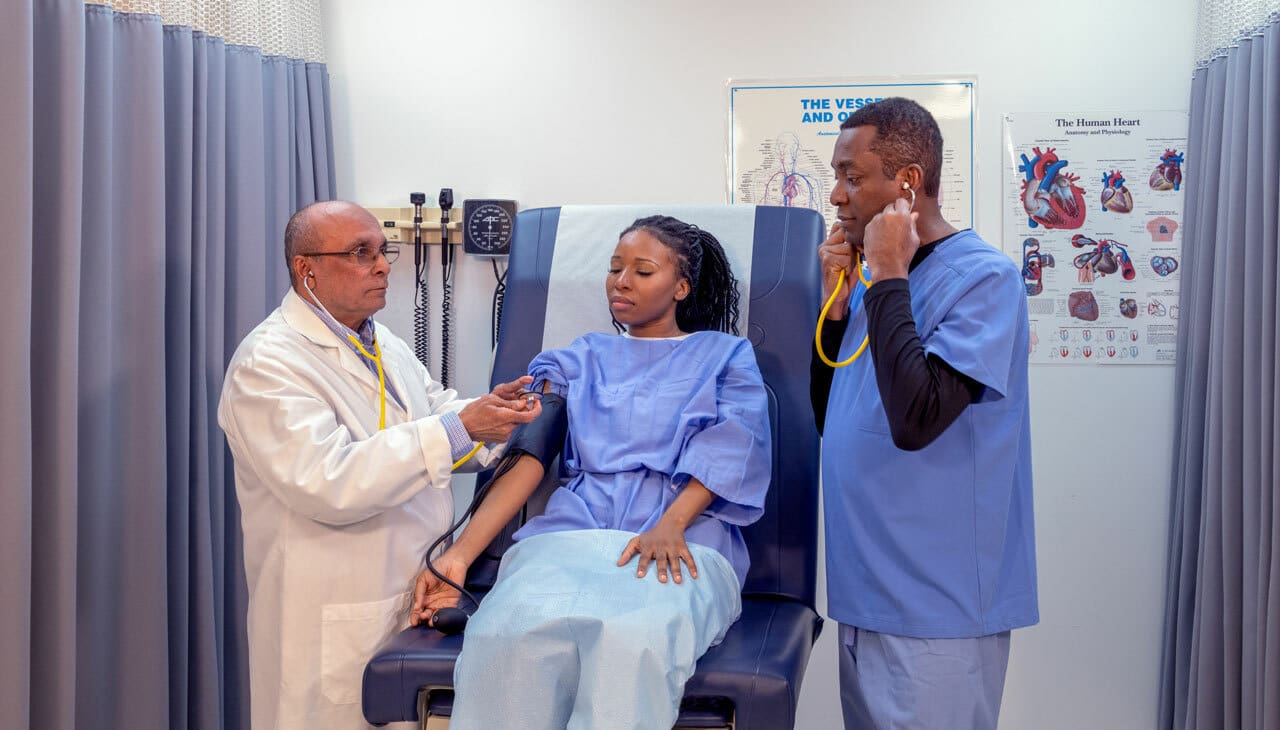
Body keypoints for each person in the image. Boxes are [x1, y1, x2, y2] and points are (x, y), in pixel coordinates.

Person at [411, 215, 771, 729]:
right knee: (502, 635)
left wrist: (671, 524)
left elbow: (733, 447)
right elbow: (529, 458)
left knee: (632, 643)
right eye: (614, 268)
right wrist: (459, 556)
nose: (621, 282)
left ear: (682, 287)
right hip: (572, 535)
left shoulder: (726, 356)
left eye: (642, 272)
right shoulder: (574, 361)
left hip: (682, 540)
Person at [217, 200, 540, 730]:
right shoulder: (268, 364)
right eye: (359, 253)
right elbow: (329, 481)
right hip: (332, 615)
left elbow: (432, 411)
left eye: (381, 250)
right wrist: (462, 427)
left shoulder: (378, 339)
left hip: (412, 595)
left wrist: (492, 417)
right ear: (308, 271)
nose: (383, 265)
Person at [811, 98, 1038, 729]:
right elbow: (832, 416)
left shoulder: (983, 280)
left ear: (907, 182)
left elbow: (917, 418)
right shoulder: (882, 286)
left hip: (937, 603)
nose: (836, 195)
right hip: (867, 591)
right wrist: (838, 303)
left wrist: (885, 274)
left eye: (853, 177)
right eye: (836, 175)